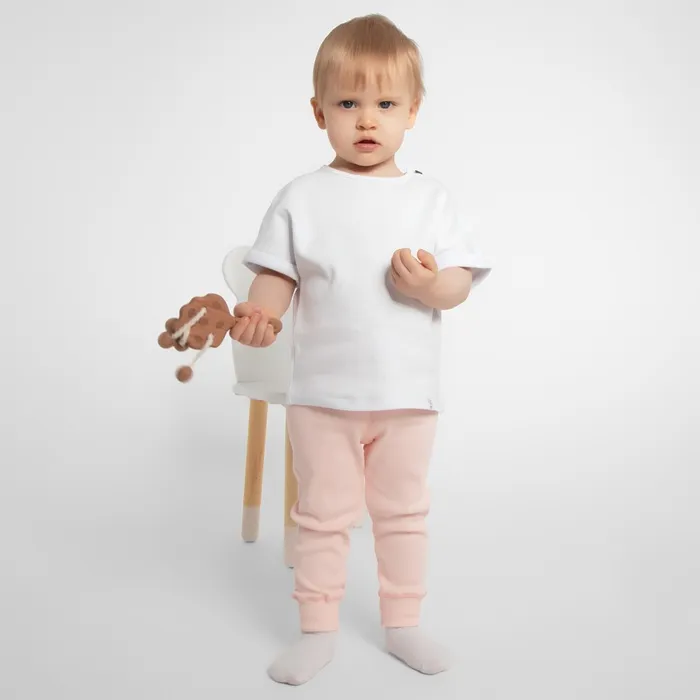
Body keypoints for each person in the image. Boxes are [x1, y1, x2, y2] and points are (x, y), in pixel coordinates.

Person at [231, 14, 493, 686]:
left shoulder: (429, 199)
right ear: (319, 112)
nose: (367, 119)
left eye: (386, 104)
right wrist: (261, 314)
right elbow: (276, 278)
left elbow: (458, 285)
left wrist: (431, 285)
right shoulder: (301, 197)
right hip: (322, 396)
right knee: (321, 516)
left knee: (403, 513)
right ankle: (317, 629)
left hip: (408, 397)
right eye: (348, 103)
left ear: (413, 112)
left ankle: (403, 622)